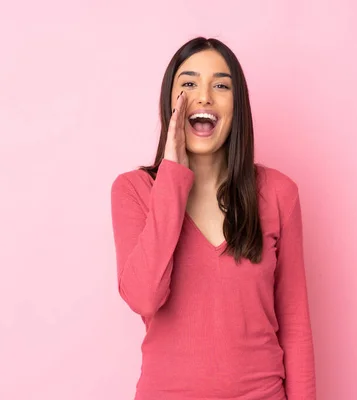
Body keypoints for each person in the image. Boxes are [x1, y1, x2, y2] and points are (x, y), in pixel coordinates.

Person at [110, 36, 316, 400]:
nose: (204, 96)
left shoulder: (279, 193)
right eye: (188, 84)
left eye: (221, 85)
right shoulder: (134, 190)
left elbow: (296, 325)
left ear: (238, 106)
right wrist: (172, 175)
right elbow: (144, 297)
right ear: (169, 103)